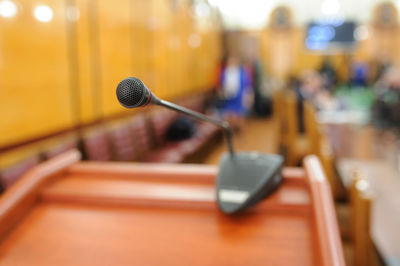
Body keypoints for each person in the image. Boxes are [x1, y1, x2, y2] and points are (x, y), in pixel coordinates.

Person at [218, 56, 253, 131]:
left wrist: (248, 97)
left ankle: (240, 133)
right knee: (229, 116)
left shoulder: (243, 73)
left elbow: (248, 86)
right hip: (228, 98)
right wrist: (222, 93)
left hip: (239, 98)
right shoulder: (224, 73)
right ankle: (229, 132)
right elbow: (220, 86)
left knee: (240, 116)